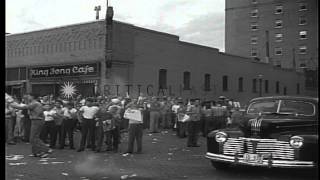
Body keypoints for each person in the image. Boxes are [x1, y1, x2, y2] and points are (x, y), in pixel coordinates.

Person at [10, 93, 52, 158]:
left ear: (32, 97)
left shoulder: (35, 103)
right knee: (33, 137)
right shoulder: (33, 103)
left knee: (33, 137)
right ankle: (36, 152)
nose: (27, 97)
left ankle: (45, 149)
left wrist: (11, 103)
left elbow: (22, 107)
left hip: (37, 120)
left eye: (29, 96)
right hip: (35, 120)